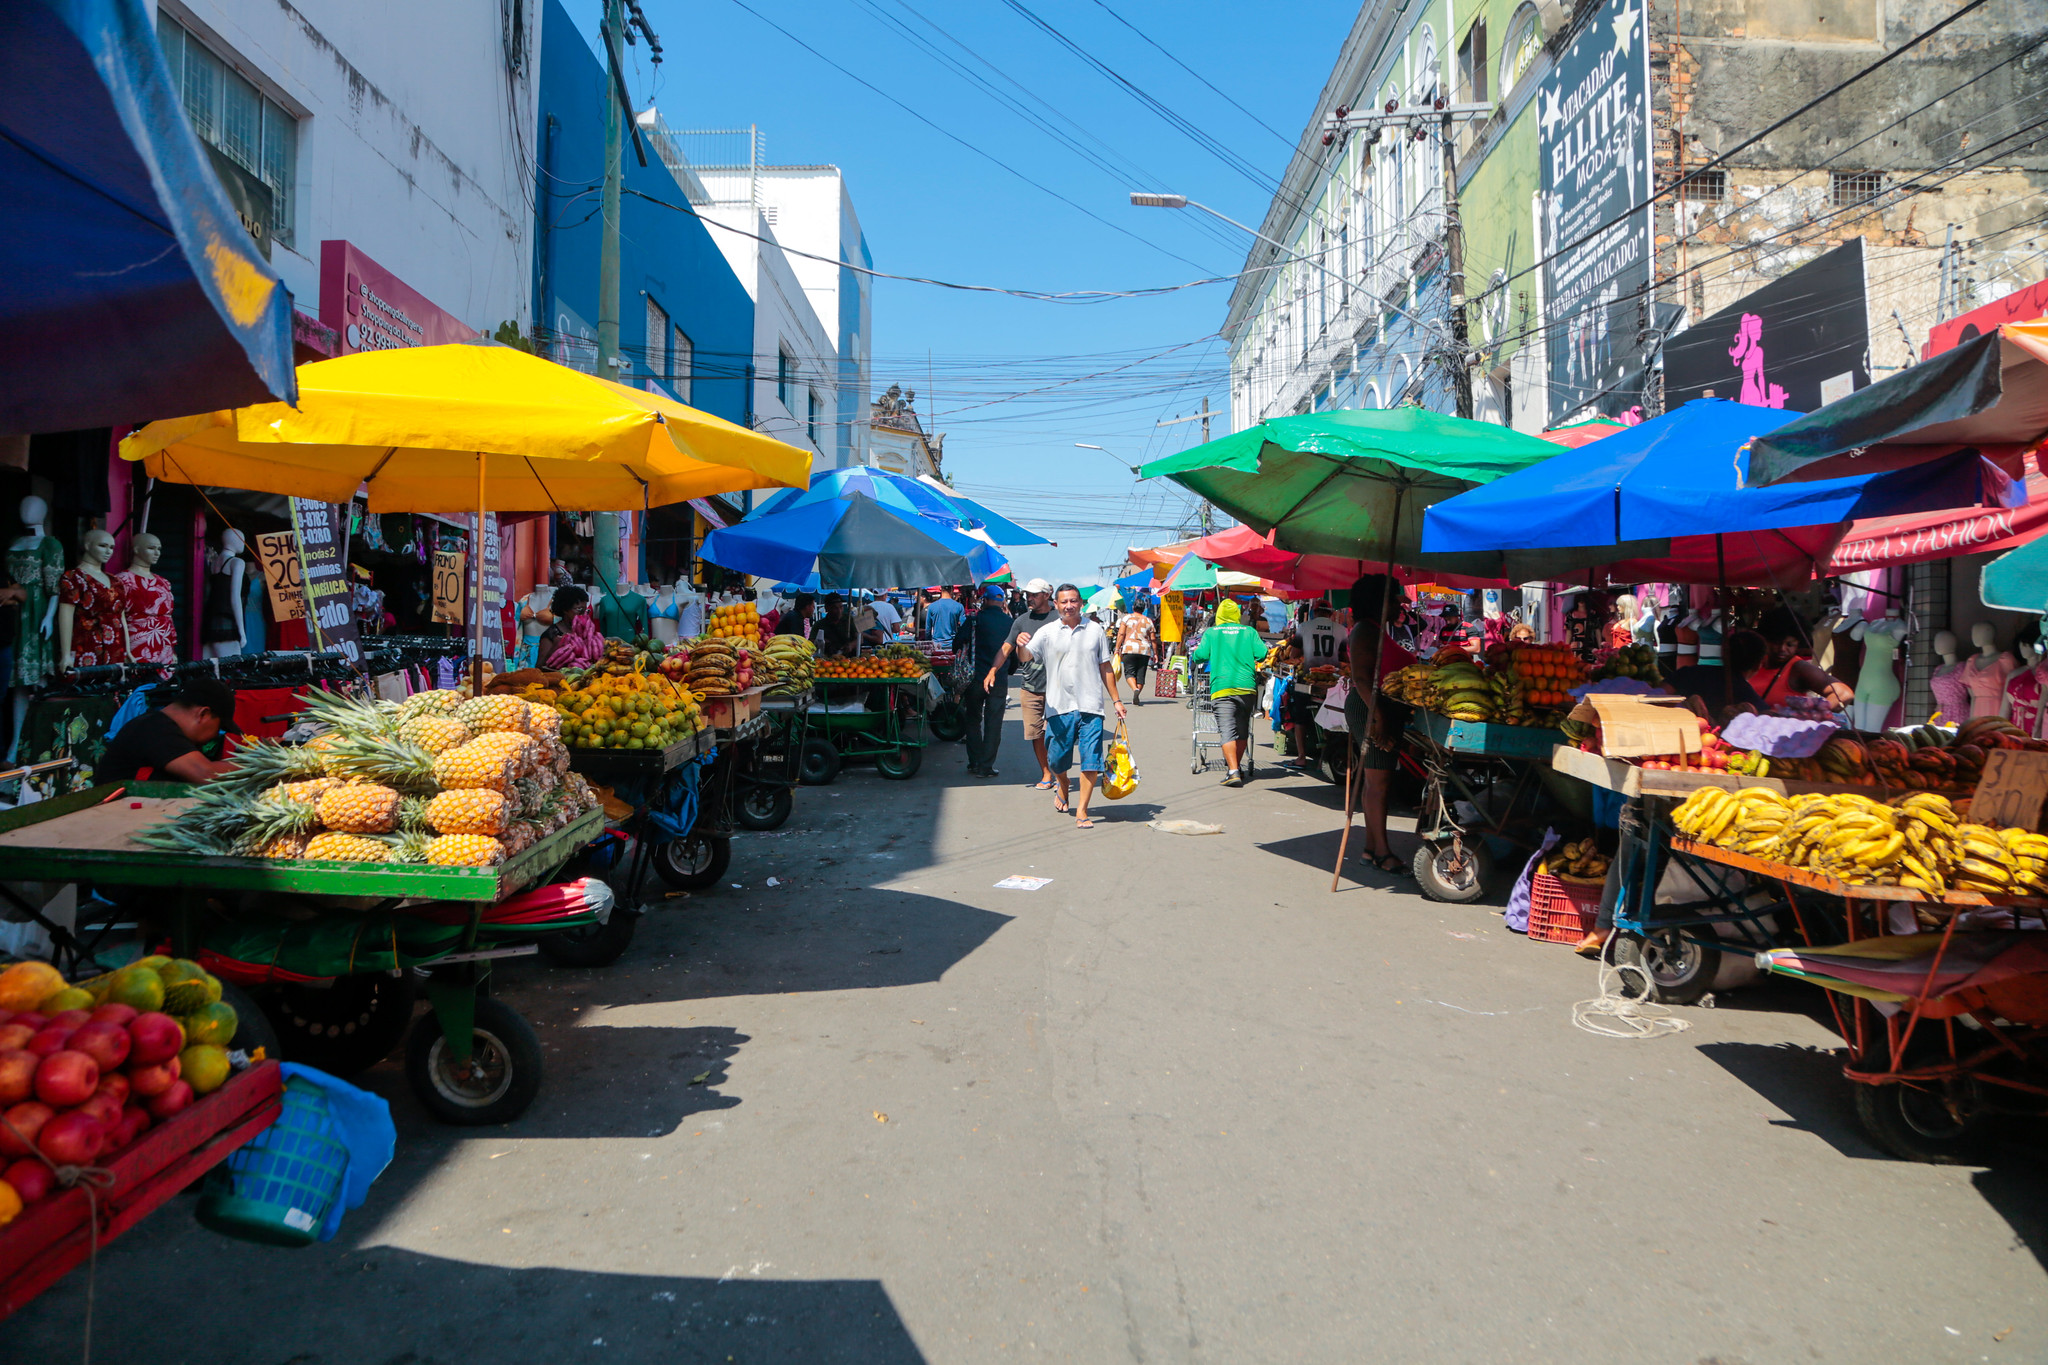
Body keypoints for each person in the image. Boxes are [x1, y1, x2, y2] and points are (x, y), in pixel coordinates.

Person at [1015, 584, 1126, 828]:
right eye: (1064, 602)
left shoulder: (1096, 630)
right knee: (1056, 761)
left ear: (1081, 603)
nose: (1069, 606)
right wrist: (1021, 644)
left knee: (1091, 760)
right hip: (1058, 707)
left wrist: (1116, 700)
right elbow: (1024, 657)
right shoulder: (1047, 632)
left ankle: (1082, 811)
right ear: (1056, 604)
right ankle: (1063, 784)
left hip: (1091, 706)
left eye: (1073, 601)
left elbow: (1105, 666)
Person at [1342, 573, 1416, 875]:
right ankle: (1383, 852)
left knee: (1375, 783)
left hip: (1377, 707)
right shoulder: (1364, 631)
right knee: (1379, 784)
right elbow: (1362, 678)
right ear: (1378, 601)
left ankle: (1372, 849)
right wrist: (1379, 717)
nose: (1398, 603)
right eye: (1392, 597)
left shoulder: (1374, 629)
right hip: (1370, 708)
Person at [984, 578, 1059, 790]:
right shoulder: (1021, 621)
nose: (1030, 598)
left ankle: (1058, 771)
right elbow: (1005, 649)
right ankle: (1046, 773)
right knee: (1036, 732)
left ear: (1047, 595)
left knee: (1058, 733)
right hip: (1031, 687)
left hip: (1058, 687)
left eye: (1034, 595)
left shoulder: (1059, 619)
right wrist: (992, 671)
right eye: (1028, 594)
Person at [98, 676, 243, 784]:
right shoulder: (157, 729)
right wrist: (260, 763)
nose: (214, 737)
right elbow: (207, 774)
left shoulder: (154, 724)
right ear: (203, 714)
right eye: (218, 728)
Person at [1189, 599, 1269, 787]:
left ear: (1219, 616)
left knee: (1227, 730)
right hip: (1247, 688)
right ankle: (1235, 767)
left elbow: (1199, 655)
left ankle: (1233, 771)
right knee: (1242, 730)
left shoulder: (1212, 633)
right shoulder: (1249, 632)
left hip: (1222, 687)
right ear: (1237, 615)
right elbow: (1262, 653)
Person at [960, 583, 1015, 777]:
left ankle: (974, 761)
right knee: (994, 723)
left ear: (986, 600)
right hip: (998, 679)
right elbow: (1013, 654)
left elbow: (957, 643)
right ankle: (986, 766)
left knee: (973, 719)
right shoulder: (1010, 623)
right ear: (1001, 602)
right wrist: (1008, 670)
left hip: (975, 678)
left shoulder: (975, 620)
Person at [1752, 608, 1855, 711]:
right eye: (1776, 642)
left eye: (1790, 644)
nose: (1782, 649)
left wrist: (1812, 713)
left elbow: (1844, 693)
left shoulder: (1798, 668)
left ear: (1798, 644)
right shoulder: (1754, 662)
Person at [1667, 628, 1767, 720]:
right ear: (1758, 664)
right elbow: (1767, 716)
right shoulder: (1748, 695)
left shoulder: (1687, 673)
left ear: (1723, 654)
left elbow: (1658, 695)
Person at [537, 587, 602, 669]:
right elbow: (539, 666)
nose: (583, 615)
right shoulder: (552, 634)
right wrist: (555, 647)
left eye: (586, 611)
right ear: (565, 609)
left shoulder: (586, 633)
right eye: (579, 609)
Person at [1114, 606, 1155, 707]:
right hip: (1144, 650)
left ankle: (1134, 689)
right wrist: (1156, 653)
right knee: (1141, 675)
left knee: (1129, 672)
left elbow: (1121, 633)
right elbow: (1153, 639)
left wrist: (1117, 648)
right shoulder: (1148, 621)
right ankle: (1137, 694)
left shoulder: (1127, 618)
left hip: (1129, 649)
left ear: (1133, 607)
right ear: (1144, 608)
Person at [1301, 601, 1341, 671]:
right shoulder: (1340, 629)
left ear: (1314, 613)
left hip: (1309, 672)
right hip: (1332, 673)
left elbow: (1294, 654)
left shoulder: (1304, 627)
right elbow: (1344, 656)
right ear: (1331, 614)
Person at [818, 593, 859, 658]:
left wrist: (851, 645)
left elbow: (859, 638)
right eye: (835, 608)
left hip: (851, 659)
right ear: (827, 608)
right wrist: (825, 642)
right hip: (828, 660)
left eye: (841, 607)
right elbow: (812, 640)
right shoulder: (820, 624)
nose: (839, 611)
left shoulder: (849, 620)